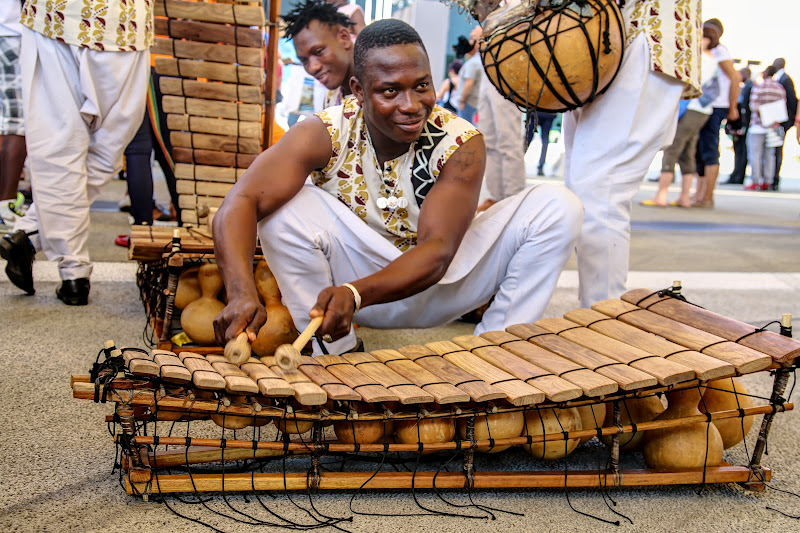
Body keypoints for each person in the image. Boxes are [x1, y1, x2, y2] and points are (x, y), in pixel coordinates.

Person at [211, 19, 582, 355]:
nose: (411, 105)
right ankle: (336, 352)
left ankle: (498, 351)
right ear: (358, 89)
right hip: (341, 299)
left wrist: (357, 294)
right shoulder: (323, 132)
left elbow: (438, 251)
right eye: (390, 92)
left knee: (558, 205)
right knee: (280, 210)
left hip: (442, 284)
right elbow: (239, 201)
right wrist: (240, 292)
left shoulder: (460, 142)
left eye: (421, 85)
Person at [0, 0, 152, 305]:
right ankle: (66, 267)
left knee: (61, 148)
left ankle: (42, 243)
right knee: (104, 149)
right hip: (122, 22)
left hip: (58, 17)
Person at [562, 0, 701, 309]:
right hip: (602, 36)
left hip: (643, 30)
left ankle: (602, 321)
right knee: (580, 192)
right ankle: (596, 316)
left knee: (600, 189)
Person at [640, 25, 720, 208]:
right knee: (687, 152)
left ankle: (661, 194)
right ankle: (684, 196)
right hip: (701, 111)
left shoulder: (704, 60)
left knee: (672, 147)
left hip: (692, 108)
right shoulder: (711, 60)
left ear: (707, 39)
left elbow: (688, 82)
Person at [691, 18, 740, 208]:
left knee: (710, 149)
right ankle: (700, 193)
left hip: (717, 106)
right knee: (701, 150)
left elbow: (735, 79)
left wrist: (732, 107)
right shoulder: (708, 51)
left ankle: (707, 196)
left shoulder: (720, 51)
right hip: (707, 106)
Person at [284, 0, 356, 110]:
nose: (313, 68)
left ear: (344, 38)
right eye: (304, 60)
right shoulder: (331, 98)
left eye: (319, 51)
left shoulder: (381, 90)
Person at [0, 0, 26, 231]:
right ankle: (5, 207)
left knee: (5, 122)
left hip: (7, 30)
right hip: (11, 32)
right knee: (18, 124)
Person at [744, 66, 786, 191]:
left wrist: (764, 114)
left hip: (758, 125)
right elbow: (782, 106)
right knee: (770, 155)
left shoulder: (759, 87)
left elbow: (753, 105)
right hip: (773, 126)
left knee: (755, 154)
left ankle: (755, 180)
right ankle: (768, 181)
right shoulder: (779, 88)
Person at [771, 58, 797, 190]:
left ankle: (775, 179)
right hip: (779, 120)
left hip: (783, 120)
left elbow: (792, 100)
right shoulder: (780, 78)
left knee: (777, 149)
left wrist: (790, 120)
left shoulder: (785, 79)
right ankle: (772, 177)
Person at [724, 67, 752, 185]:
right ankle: (735, 175)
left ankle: (739, 176)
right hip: (739, 125)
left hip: (744, 126)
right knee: (738, 151)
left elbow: (745, 108)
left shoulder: (749, 87)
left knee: (742, 151)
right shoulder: (744, 87)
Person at [450, 27, 482, 124]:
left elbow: (469, 83)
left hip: (468, 103)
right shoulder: (475, 61)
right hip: (471, 103)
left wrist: (462, 101)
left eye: (472, 39)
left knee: (465, 130)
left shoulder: (473, 63)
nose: (469, 41)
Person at [525, 111, 557, 176]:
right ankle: (541, 167)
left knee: (528, 138)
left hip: (536, 111)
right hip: (549, 112)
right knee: (545, 139)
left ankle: (518, 162)